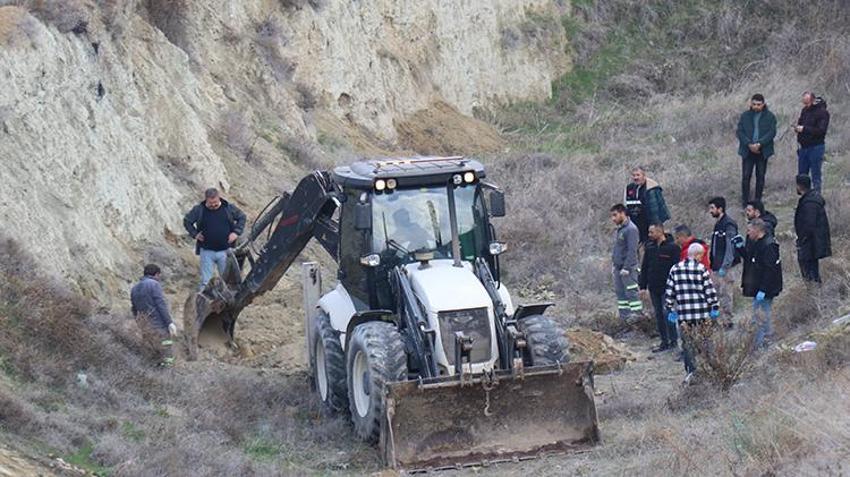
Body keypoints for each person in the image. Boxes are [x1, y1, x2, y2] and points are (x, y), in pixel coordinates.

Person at [665, 243, 720, 382]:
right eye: (701, 255)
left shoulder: (675, 269)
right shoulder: (701, 269)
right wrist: (714, 307)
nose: (702, 258)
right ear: (697, 255)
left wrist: (670, 309)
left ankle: (691, 372)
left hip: (684, 316)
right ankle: (709, 369)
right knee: (706, 342)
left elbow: (669, 293)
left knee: (687, 344)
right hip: (702, 314)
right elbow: (709, 291)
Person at [183, 188, 247, 290]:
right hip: (207, 251)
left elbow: (242, 217)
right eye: (210, 203)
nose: (213, 205)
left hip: (226, 251)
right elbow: (187, 221)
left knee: (227, 282)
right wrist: (195, 234)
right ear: (206, 200)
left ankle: (226, 304)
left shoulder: (228, 208)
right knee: (205, 281)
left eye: (215, 202)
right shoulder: (199, 209)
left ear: (219, 198)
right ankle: (203, 303)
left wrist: (236, 233)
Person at [733, 219, 782, 348]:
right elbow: (751, 259)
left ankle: (762, 344)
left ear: (757, 230)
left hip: (766, 288)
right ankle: (761, 342)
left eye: (749, 230)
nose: (748, 233)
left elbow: (770, 270)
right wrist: (740, 249)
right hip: (759, 286)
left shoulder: (769, 245)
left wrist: (764, 289)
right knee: (760, 315)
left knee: (760, 316)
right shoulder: (758, 243)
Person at [639, 223, 681, 352]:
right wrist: (643, 286)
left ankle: (674, 340)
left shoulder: (673, 248)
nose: (649, 235)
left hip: (668, 288)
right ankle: (664, 342)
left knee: (668, 313)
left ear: (660, 232)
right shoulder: (650, 248)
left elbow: (677, 268)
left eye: (652, 232)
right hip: (654, 287)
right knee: (658, 315)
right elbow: (645, 267)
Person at [130, 264, 178, 367]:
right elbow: (161, 305)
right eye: (159, 276)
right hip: (159, 327)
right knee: (167, 352)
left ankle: (153, 375)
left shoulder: (134, 289)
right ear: (156, 274)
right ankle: (168, 373)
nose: (159, 279)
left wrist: (140, 324)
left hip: (145, 328)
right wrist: (169, 323)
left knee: (150, 355)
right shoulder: (154, 284)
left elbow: (134, 309)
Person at [736, 94, 777, 206]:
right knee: (746, 176)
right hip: (747, 151)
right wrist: (749, 144)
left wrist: (760, 144)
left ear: (763, 104)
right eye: (754, 104)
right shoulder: (745, 116)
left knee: (760, 176)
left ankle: (758, 201)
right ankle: (745, 202)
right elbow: (739, 131)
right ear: (751, 104)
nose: (756, 107)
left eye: (759, 104)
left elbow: (772, 132)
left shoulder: (770, 117)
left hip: (762, 151)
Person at [794, 175, 831, 283]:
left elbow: (809, 224)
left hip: (810, 242)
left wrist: (803, 239)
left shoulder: (809, 203)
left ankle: (813, 293)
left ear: (799, 186)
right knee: (811, 269)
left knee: (809, 272)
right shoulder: (811, 199)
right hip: (812, 241)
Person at [610, 204, 642, 322]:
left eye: (615, 215)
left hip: (628, 269)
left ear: (623, 213)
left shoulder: (631, 229)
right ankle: (624, 319)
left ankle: (637, 318)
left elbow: (632, 250)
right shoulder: (621, 229)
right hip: (618, 268)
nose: (613, 219)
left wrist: (627, 267)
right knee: (621, 295)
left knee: (631, 293)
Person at [708, 197, 740, 317]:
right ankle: (720, 320)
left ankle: (728, 321)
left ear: (720, 209)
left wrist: (725, 266)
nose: (710, 211)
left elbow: (730, 247)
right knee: (717, 294)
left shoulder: (729, 224)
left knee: (726, 294)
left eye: (712, 208)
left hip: (725, 267)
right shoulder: (718, 224)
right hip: (717, 266)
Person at [624, 166, 671, 244]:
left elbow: (654, 210)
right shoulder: (630, 188)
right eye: (633, 175)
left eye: (638, 175)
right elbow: (626, 206)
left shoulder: (651, 188)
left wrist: (654, 226)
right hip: (635, 224)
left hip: (649, 223)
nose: (635, 177)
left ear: (644, 175)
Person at [795, 92, 830, 192]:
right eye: (804, 103)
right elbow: (800, 123)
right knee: (802, 176)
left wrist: (804, 129)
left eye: (807, 103)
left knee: (815, 175)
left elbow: (821, 131)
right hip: (803, 147)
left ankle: (816, 199)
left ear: (813, 101)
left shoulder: (823, 113)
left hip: (816, 147)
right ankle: (803, 201)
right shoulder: (804, 111)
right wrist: (797, 129)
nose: (805, 105)